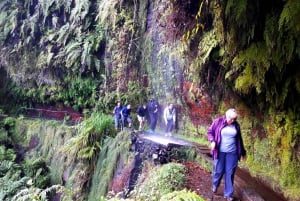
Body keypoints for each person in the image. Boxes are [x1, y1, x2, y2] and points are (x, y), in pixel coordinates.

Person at [207, 108, 246, 201]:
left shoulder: (236, 125)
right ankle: (215, 184)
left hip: (233, 153)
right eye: (231, 119)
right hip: (220, 152)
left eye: (235, 119)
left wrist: (243, 152)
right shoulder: (218, 121)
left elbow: (239, 139)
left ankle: (228, 194)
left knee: (230, 173)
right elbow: (210, 132)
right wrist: (212, 141)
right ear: (226, 116)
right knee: (219, 171)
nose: (232, 121)